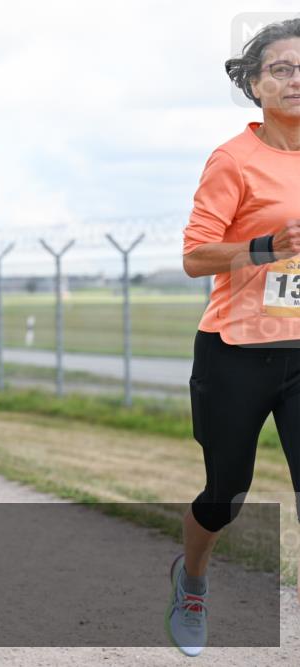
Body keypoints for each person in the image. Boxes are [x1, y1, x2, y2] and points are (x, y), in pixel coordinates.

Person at [171, 18, 300, 658]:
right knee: (226, 495)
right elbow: (195, 258)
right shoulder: (233, 159)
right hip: (236, 351)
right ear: (254, 85)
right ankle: (192, 578)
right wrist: (265, 247)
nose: (296, 78)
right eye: (280, 68)